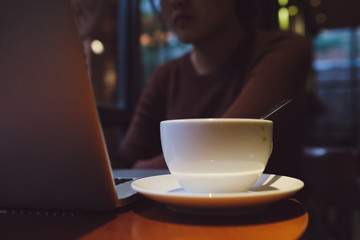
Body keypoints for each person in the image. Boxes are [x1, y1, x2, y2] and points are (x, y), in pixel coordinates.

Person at [111, 0, 311, 179]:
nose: (176, 2)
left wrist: (140, 168)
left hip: (271, 216)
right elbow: (126, 159)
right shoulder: (165, 77)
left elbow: (224, 144)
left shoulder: (282, 50)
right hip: (181, 216)